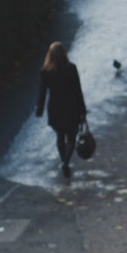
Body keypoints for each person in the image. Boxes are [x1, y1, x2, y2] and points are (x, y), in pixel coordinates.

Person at [35, 41, 87, 178]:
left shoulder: (45, 72)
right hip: (72, 108)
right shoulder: (71, 68)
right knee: (71, 137)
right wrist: (83, 110)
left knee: (60, 137)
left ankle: (63, 160)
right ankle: (66, 162)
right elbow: (78, 91)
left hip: (55, 109)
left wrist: (39, 109)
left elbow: (42, 93)